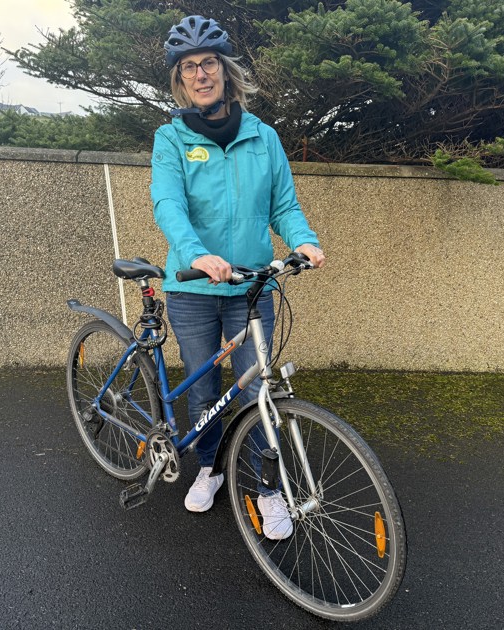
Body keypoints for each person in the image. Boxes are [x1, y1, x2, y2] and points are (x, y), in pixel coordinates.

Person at [150, 15, 325, 539]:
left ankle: (268, 490)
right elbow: (168, 204)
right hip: (193, 289)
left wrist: (304, 239)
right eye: (188, 68)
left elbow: (285, 207)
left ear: (226, 72)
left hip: (251, 288)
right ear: (180, 81)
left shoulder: (263, 137)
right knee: (204, 392)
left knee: (257, 394)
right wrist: (196, 253)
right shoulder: (171, 138)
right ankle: (209, 467)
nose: (200, 75)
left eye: (208, 64)